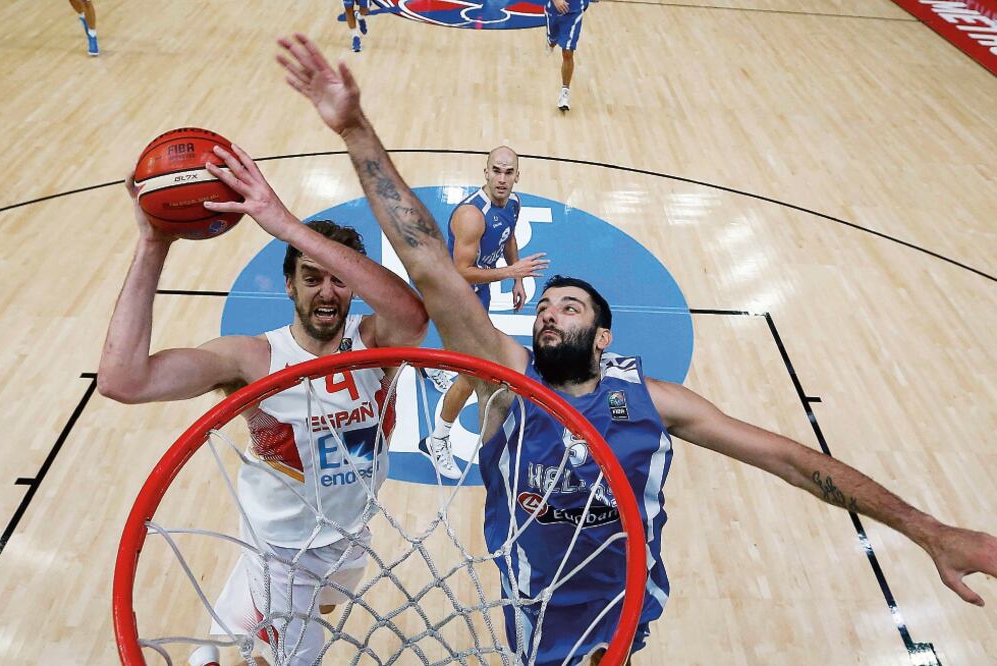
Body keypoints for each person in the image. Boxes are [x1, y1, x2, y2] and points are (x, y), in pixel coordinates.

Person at [274, 33, 997, 664]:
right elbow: (428, 259)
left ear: (605, 336)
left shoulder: (652, 402)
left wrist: (926, 530)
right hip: (534, 617)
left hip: (623, 617)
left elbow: (794, 459)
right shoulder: (509, 385)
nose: (551, 314)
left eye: (571, 306)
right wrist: (356, 128)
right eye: (547, 307)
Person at [98, 151, 428, 665]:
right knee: (296, 650)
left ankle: (229, 632)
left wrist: (287, 226)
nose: (327, 291)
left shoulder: (378, 344)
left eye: (339, 279)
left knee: (321, 607)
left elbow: (412, 312)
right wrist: (152, 242)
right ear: (289, 285)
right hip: (280, 549)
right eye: (311, 277)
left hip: (350, 535)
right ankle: (244, 637)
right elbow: (123, 380)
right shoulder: (252, 358)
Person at [421, 146, 550, 480]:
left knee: (468, 361)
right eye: (497, 170)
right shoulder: (471, 215)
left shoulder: (514, 204)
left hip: (480, 293)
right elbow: (461, 270)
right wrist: (510, 273)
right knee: (471, 375)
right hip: (455, 297)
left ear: (517, 176)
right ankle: (436, 440)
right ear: (486, 172)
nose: (502, 178)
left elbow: (507, 240)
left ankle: (431, 366)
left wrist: (518, 276)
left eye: (509, 172)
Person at [546, 0, 588, 110]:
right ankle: (551, 42)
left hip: (574, 11)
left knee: (567, 52)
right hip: (553, 9)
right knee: (552, 39)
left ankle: (564, 93)